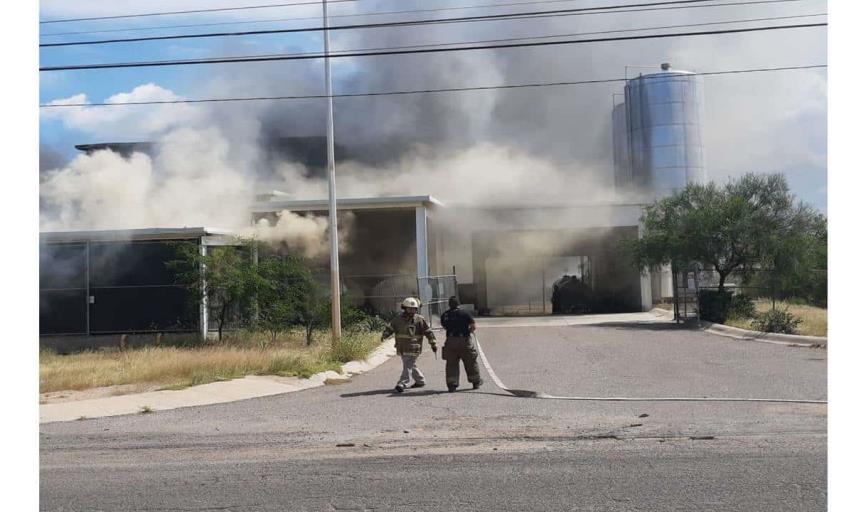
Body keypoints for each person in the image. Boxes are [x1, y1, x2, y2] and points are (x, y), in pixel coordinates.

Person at [381, 297, 437, 393]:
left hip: (414, 347)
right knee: (410, 365)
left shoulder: (420, 320)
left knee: (407, 365)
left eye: (414, 309)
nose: (412, 311)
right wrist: (385, 335)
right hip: (402, 347)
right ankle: (420, 381)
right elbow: (390, 328)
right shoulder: (397, 319)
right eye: (410, 309)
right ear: (405, 308)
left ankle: (402, 383)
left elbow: (428, 332)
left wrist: (433, 343)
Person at [440, 296, 482, 393]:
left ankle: (452, 385)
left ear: (449, 304)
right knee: (470, 361)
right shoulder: (465, 313)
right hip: (464, 340)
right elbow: (473, 326)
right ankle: (475, 382)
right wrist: (468, 331)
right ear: (459, 304)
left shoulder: (445, 315)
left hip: (450, 341)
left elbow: (445, 326)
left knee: (451, 363)